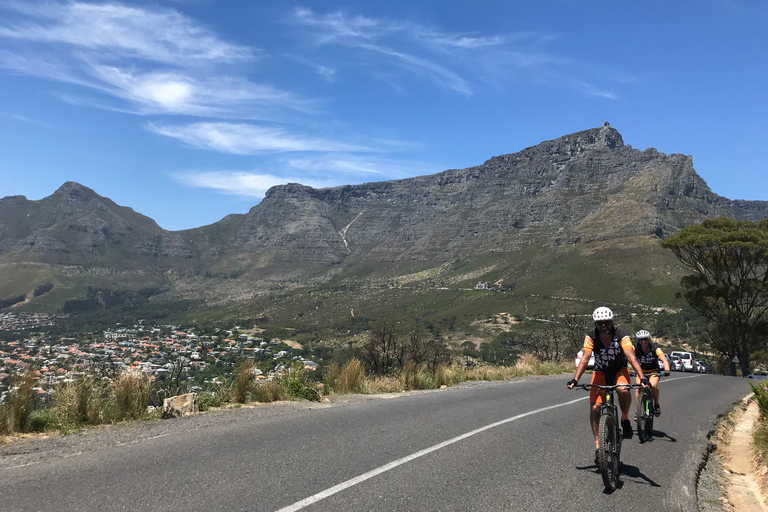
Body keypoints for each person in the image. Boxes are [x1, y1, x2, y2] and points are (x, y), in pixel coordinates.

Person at [567, 307, 649, 464]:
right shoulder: (591, 336)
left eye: (607, 322)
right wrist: (575, 379)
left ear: (612, 322)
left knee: (622, 389)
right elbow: (585, 358)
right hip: (601, 371)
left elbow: (631, 357)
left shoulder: (620, 334)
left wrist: (642, 377)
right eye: (600, 323)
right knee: (595, 407)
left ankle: (625, 419)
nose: (603, 326)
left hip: (620, 369)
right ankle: (599, 447)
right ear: (596, 324)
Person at [633, 329, 670, 417]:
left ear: (649, 340)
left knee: (652, 385)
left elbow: (664, 359)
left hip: (653, 371)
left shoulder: (654, 348)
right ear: (638, 341)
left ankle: (656, 405)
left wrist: (667, 370)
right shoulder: (635, 347)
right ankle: (638, 411)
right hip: (641, 372)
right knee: (638, 387)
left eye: (645, 339)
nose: (643, 341)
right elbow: (627, 355)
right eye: (641, 339)